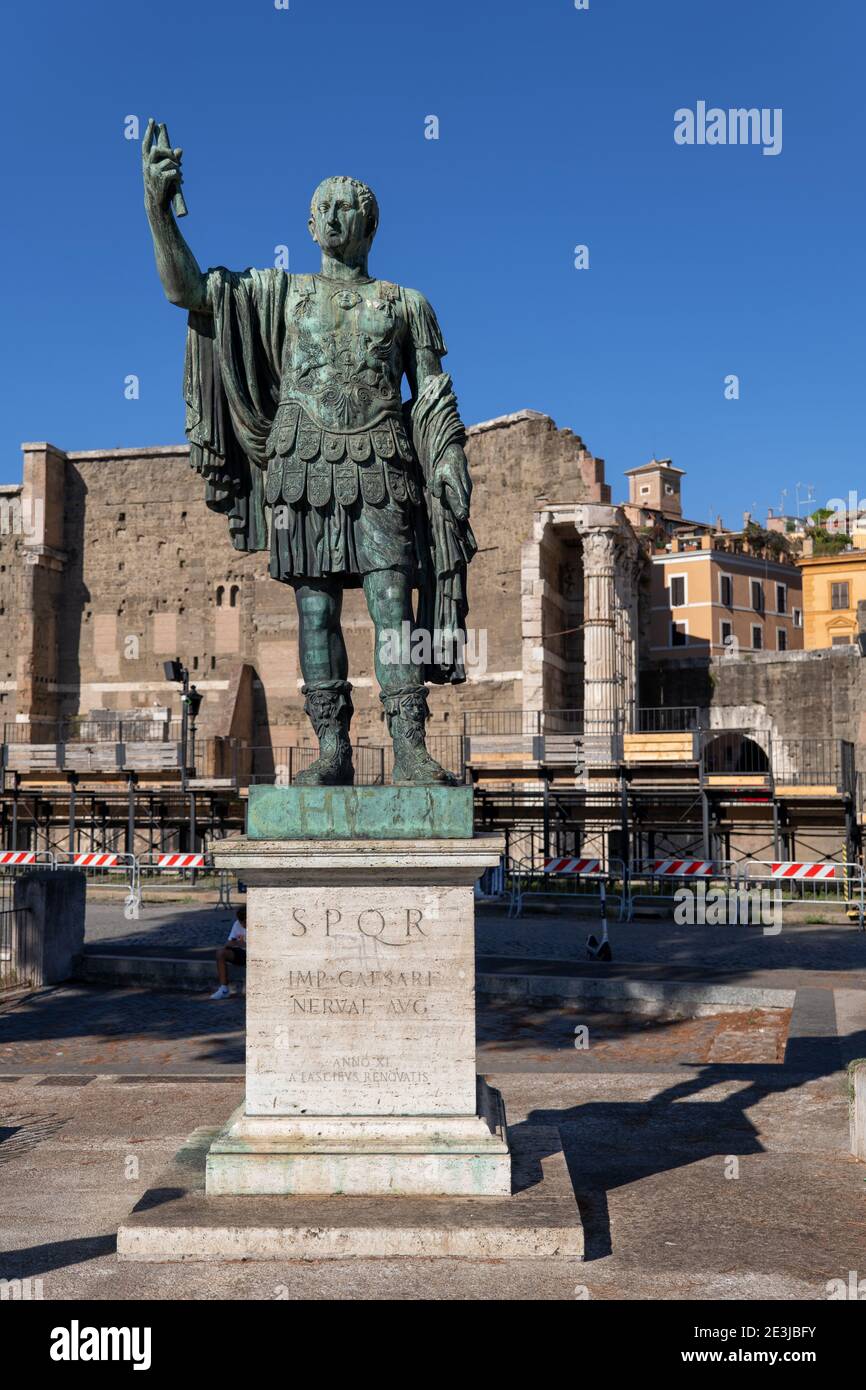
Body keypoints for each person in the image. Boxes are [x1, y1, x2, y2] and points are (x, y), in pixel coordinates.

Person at [142, 122, 476, 787]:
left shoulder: (406, 304)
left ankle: (409, 748)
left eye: (345, 206)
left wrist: (448, 462)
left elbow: (433, 390)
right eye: (321, 206)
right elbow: (188, 292)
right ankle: (332, 750)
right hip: (302, 468)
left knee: (392, 607)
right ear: (308, 223)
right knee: (315, 610)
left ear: (368, 224)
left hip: (383, 466)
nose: (331, 214)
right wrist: (158, 208)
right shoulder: (278, 293)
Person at [211, 905, 246, 1000]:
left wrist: (243, 944)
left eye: (245, 922)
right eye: (241, 922)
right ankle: (224, 990)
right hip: (241, 952)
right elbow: (230, 941)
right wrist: (231, 944)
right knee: (220, 953)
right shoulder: (237, 924)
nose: (242, 924)